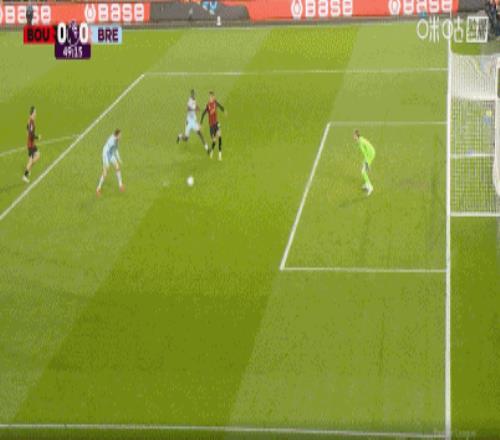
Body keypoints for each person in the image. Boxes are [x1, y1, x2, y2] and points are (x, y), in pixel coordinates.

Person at [96, 129, 124, 196]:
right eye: (120, 135)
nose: (121, 136)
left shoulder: (116, 140)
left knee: (117, 167)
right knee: (105, 172)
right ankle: (98, 189)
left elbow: (116, 149)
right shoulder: (112, 141)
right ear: (117, 135)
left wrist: (119, 159)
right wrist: (107, 162)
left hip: (110, 153)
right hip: (106, 154)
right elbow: (108, 151)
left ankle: (120, 185)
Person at [201, 91, 226, 161]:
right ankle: (211, 150)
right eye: (210, 97)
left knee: (220, 136)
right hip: (211, 126)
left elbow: (220, 106)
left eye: (212, 96)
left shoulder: (215, 102)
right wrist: (201, 123)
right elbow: (203, 113)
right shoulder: (208, 105)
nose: (211, 98)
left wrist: (224, 111)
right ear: (209, 97)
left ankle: (220, 155)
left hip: (216, 123)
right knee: (214, 140)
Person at [353, 129, 376, 196]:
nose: (353, 137)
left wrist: (367, 163)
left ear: (356, 136)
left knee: (363, 172)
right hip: (371, 152)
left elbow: (365, 152)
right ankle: (366, 184)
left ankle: (370, 187)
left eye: (354, 135)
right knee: (364, 169)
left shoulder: (360, 142)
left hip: (370, 154)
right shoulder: (360, 139)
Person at [22, 106, 41, 184]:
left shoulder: (30, 120)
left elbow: (27, 129)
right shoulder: (31, 122)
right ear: (32, 113)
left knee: (37, 156)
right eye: (35, 112)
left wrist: (29, 135)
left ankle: (28, 170)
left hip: (31, 143)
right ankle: (25, 175)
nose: (36, 113)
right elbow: (31, 134)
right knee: (33, 158)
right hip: (31, 144)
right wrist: (37, 137)